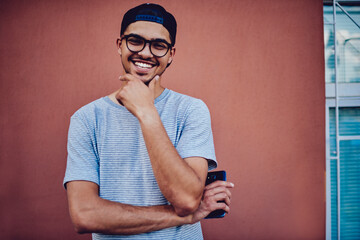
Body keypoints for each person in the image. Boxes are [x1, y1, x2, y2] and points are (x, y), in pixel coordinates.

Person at [63, 3, 233, 240]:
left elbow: (186, 199)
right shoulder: (86, 119)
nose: (145, 52)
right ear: (119, 45)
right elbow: (85, 215)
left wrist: (146, 112)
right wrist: (183, 216)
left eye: (158, 45)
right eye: (135, 41)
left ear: (170, 55)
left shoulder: (191, 110)